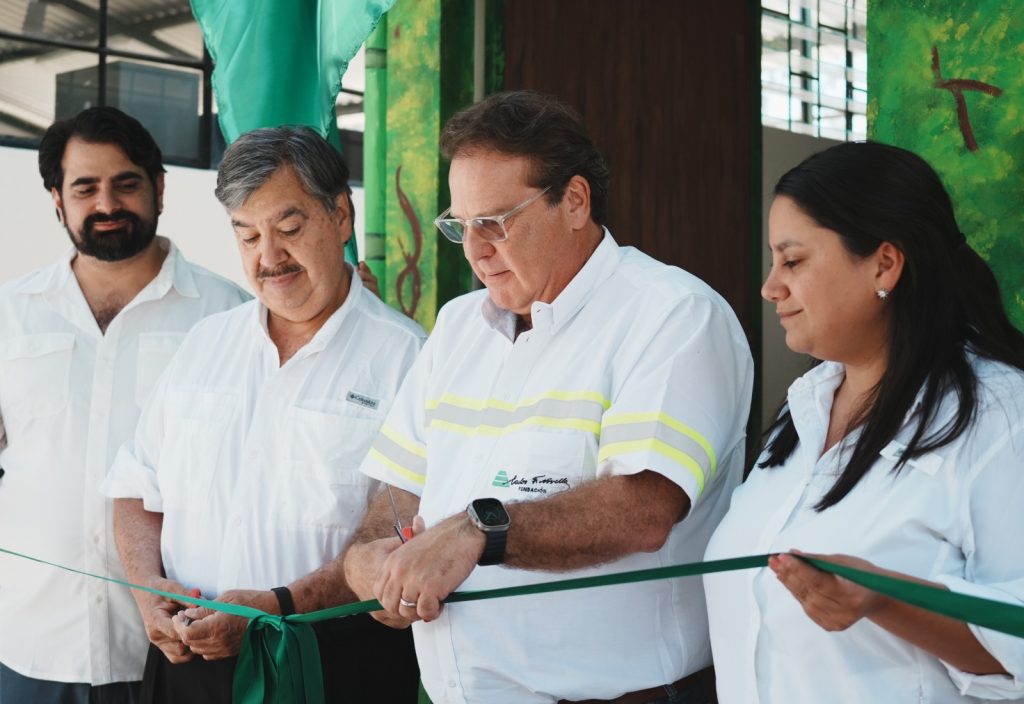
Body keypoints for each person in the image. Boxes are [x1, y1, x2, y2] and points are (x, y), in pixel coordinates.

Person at [344, 90, 754, 704]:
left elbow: (644, 510)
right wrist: (368, 559)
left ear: (575, 202)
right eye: (461, 225)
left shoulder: (674, 315)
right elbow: (399, 491)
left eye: (497, 222)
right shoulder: (458, 327)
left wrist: (477, 531)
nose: (476, 250)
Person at [101, 126, 426, 703]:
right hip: (186, 665)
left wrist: (278, 606)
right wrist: (146, 588)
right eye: (247, 235)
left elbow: (403, 536)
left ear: (341, 217)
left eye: (289, 229)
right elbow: (135, 487)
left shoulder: (408, 357)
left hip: (332, 661)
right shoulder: (206, 343)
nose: (268, 258)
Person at [704, 141, 1024, 703]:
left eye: (793, 260)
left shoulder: (997, 412)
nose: (770, 287)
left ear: (883, 263)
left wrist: (884, 599)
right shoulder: (802, 411)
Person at [0, 107, 248, 702]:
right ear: (58, 200)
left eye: (126, 183)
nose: (107, 203)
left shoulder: (229, 316)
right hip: (31, 640)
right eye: (85, 187)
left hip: (175, 647)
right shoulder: (11, 313)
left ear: (160, 187)